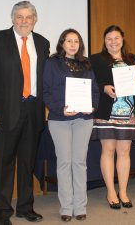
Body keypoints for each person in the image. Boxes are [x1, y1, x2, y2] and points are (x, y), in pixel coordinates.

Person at [0, 1, 49, 225]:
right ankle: (1, 212)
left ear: (35, 20)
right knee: (3, 164)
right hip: (4, 112)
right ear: (12, 19)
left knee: (27, 163)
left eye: (29, 17)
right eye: (20, 16)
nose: (24, 21)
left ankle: (25, 208)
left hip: (33, 110)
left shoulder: (43, 43)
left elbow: (46, 79)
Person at [43, 29, 100, 221]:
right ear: (62, 44)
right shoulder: (52, 64)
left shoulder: (86, 64)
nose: (73, 44)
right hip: (60, 119)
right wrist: (60, 109)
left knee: (79, 162)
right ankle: (66, 208)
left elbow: (95, 91)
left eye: (76, 41)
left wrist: (91, 107)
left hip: (83, 120)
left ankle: (80, 206)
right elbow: (46, 91)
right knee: (64, 162)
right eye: (69, 41)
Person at [90, 25, 135, 209]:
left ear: (122, 39)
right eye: (109, 38)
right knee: (108, 150)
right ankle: (110, 191)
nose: (113, 41)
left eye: (116, 38)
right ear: (105, 41)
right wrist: (103, 87)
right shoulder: (96, 59)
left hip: (128, 112)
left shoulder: (132, 59)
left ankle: (123, 191)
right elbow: (92, 81)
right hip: (107, 112)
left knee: (124, 152)